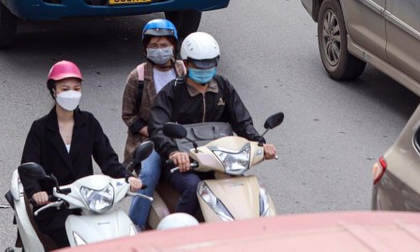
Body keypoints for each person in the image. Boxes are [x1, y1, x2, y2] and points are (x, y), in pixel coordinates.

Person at [149, 33, 276, 220]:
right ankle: (178, 231)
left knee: (244, 188)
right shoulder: (172, 92)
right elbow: (158, 128)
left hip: (222, 161)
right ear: (186, 63)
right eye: (200, 64)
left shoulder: (223, 87)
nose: (206, 68)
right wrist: (173, 153)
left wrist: (260, 143)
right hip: (185, 162)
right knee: (192, 187)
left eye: (211, 63)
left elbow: (242, 122)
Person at [19, 61, 142, 249]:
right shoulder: (40, 128)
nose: (72, 93)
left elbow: (108, 160)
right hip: (54, 206)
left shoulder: (89, 122)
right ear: (54, 91)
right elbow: (28, 167)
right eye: (65, 88)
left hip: (89, 203)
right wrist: (37, 192)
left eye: (76, 88)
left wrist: (127, 178)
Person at [122, 19, 187, 229]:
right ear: (145, 49)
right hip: (149, 141)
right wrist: (154, 133)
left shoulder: (184, 72)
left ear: (174, 46)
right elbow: (128, 116)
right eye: (153, 46)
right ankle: (135, 225)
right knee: (148, 174)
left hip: (183, 138)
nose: (159, 50)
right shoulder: (137, 77)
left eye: (164, 45)